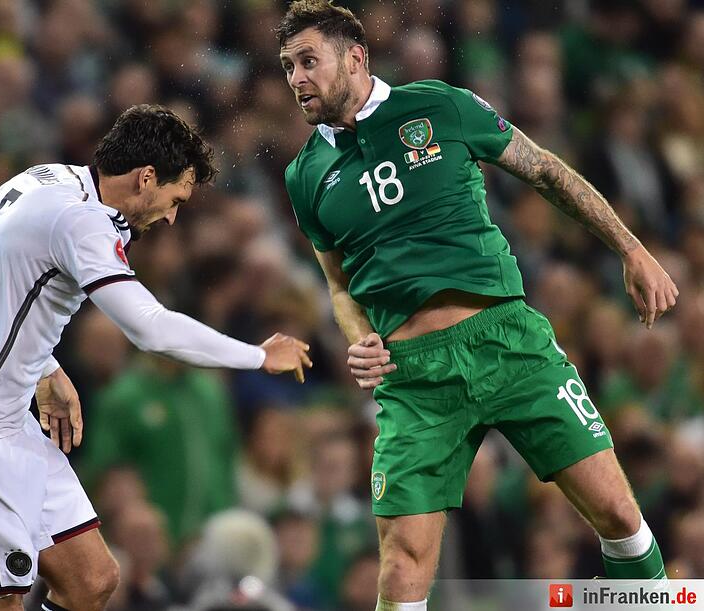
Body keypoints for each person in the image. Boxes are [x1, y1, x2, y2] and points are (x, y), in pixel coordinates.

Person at [275, 2, 678, 609]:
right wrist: (358, 336)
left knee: (619, 513)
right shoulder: (304, 175)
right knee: (402, 565)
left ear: (355, 57)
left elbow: (544, 171)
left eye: (308, 61)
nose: (296, 78)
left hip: (506, 340)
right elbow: (337, 283)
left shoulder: (441, 105)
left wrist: (630, 248)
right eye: (287, 67)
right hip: (414, 380)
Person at [0, 104, 312, 611]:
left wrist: (43, 367)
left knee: (92, 580)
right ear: (146, 178)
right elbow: (150, 328)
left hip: (7, 422)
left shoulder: (42, 179)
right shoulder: (83, 222)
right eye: (175, 199)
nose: (172, 216)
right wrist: (257, 355)